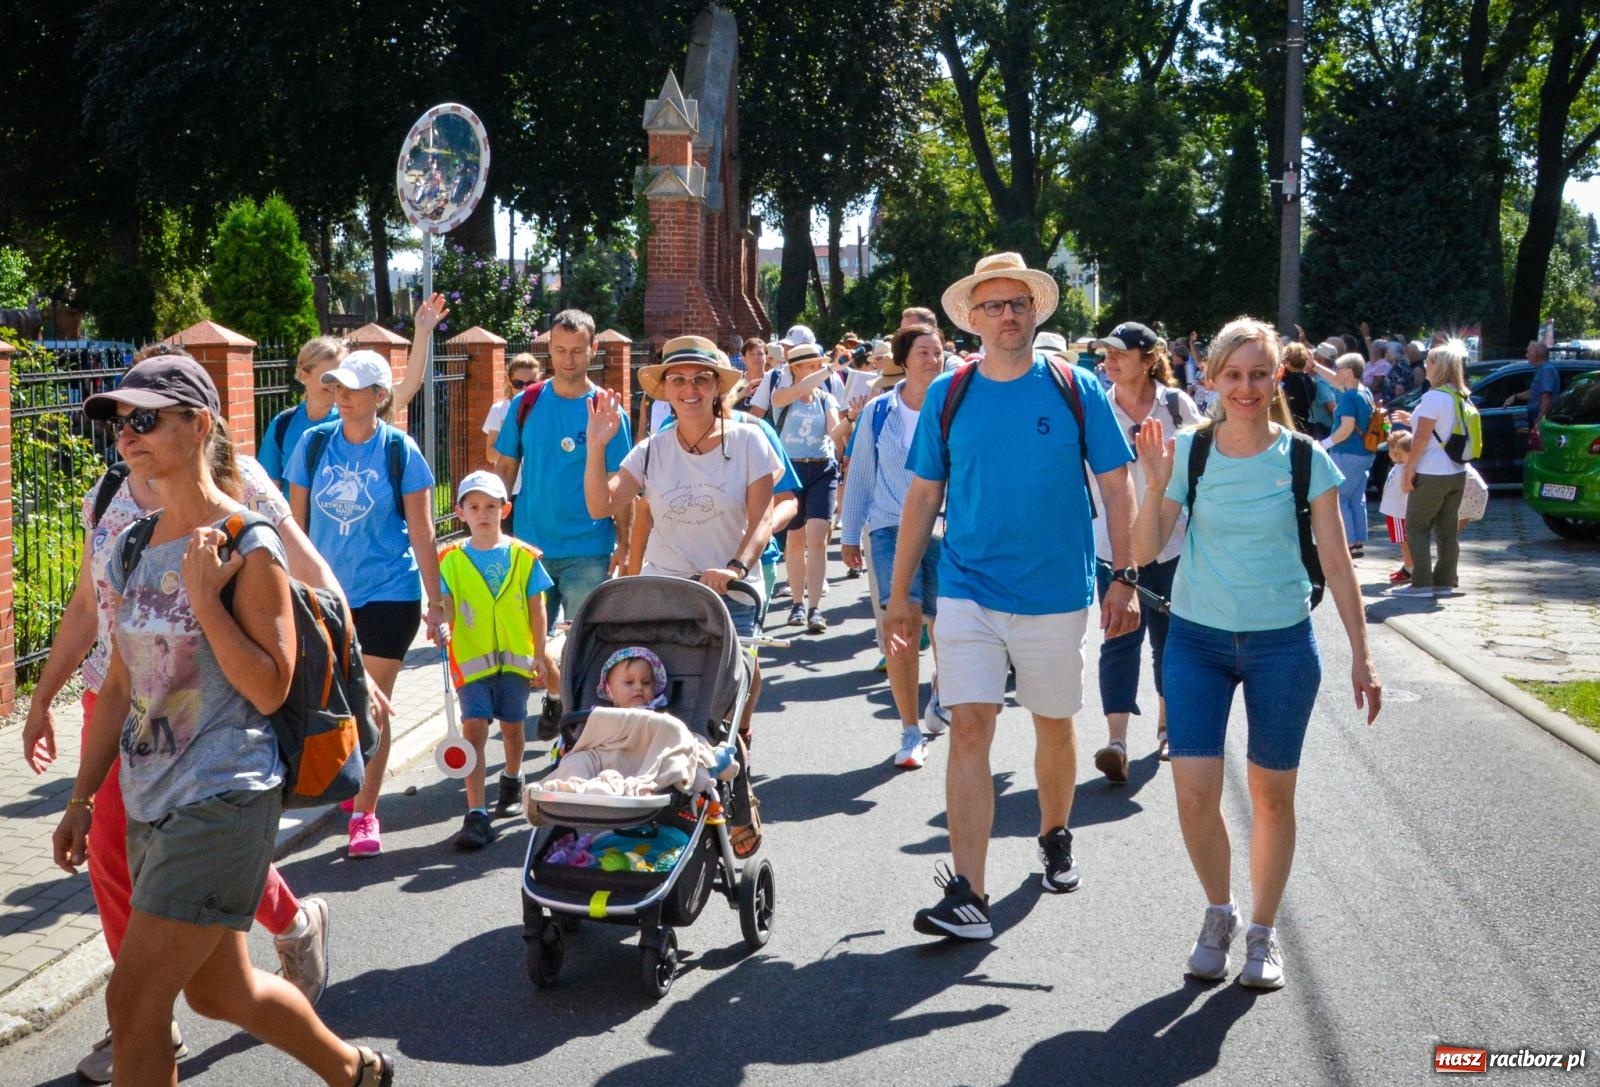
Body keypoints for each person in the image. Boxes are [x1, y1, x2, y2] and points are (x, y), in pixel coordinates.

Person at [54, 358, 395, 1086]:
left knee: (133, 999)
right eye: (123, 423)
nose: (129, 436)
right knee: (220, 992)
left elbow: (271, 688)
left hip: (224, 797)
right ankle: (354, 1070)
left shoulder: (248, 543)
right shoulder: (136, 543)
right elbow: (119, 683)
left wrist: (208, 602)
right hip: (151, 798)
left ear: (200, 424)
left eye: (146, 419)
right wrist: (82, 796)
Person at [888, 252, 1141, 942]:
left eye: (1018, 304)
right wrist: (901, 592)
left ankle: (1055, 832)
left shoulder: (1075, 386)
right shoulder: (949, 393)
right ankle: (968, 890)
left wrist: (1126, 573)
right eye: (994, 305)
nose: (1007, 315)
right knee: (968, 725)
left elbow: (1118, 485)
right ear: (972, 318)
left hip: (1055, 592)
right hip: (968, 587)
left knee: (1053, 723)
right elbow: (921, 496)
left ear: (1035, 312)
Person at [1130, 316, 1382, 991]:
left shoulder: (1306, 458)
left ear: (1278, 377)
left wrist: (1363, 653)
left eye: (1259, 373)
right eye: (1233, 374)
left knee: (1272, 795)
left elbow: (1337, 559)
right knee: (1192, 791)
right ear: (1210, 378)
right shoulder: (1189, 451)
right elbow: (1142, 553)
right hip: (1197, 641)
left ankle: (1264, 933)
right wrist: (1154, 482)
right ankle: (1220, 912)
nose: (1246, 386)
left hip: (1282, 646)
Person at [583, 336, 780, 856]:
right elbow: (602, 505)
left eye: (699, 379)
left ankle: (736, 785)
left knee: (725, 702)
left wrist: (736, 566)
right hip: (666, 591)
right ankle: (653, 795)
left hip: (731, 591)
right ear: (664, 390)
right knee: (663, 698)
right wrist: (597, 442)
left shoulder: (749, 441)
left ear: (717, 386)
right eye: (677, 380)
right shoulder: (652, 450)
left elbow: (763, 516)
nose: (688, 389)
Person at [288, 349, 443, 856]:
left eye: (355, 388)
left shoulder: (400, 451)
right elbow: (295, 530)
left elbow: (422, 533)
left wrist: (435, 603)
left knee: (371, 706)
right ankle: (345, 779)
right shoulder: (312, 446)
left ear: (380, 396)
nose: (344, 395)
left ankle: (365, 815)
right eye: (337, 386)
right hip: (325, 600)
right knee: (333, 705)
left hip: (387, 595)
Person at [1084, 321, 1204, 781]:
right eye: (1106, 353)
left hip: (1172, 543)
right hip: (1113, 545)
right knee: (1118, 638)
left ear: (1148, 358)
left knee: (1169, 643)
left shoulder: (1176, 405)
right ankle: (1116, 740)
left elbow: (1200, 468)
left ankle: (1167, 728)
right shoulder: (1097, 405)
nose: (1109, 360)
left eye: (1119, 353)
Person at [840, 324, 950, 770]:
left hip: (948, 528)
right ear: (904, 360)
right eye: (924, 352)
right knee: (900, 627)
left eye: (939, 352)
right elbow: (861, 473)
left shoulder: (952, 408)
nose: (933, 359)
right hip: (888, 528)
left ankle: (943, 695)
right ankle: (909, 730)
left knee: (951, 625)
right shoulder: (880, 411)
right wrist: (850, 535)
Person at [439, 470, 558, 849]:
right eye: (474, 507)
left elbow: (537, 608)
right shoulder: (451, 560)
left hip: (516, 662)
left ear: (505, 509)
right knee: (473, 727)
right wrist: (441, 623)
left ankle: (512, 776)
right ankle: (476, 814)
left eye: (491, 506)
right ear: (461, 513)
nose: (483, 513)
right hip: (471, 661)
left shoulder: (524, 557)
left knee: (512, 726)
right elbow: (446, 604)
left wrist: (540, 653)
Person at [493, 309, 633, 629]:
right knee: (530, 657)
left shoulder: (607, 411)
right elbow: (505, 470)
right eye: (560, 350)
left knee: (581, 654)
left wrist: (624, 546)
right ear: (549, 349)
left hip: (589, 552)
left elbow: (621, 486)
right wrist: (495, 534)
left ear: (593, 349)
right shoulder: (526, 402)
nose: (568, 360)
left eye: (576, 351)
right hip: (530, 550)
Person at [259, 295, 445, 496]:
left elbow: (410, 385)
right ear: (304, 374)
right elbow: (269, 490)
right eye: (330, 377)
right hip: (300, 527)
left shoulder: (356, 414)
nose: (338, 386)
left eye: (344, 377)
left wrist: (423, 333)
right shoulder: (283, 424)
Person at [756, 342, 842, 633]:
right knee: (795, 541)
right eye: (811, 365)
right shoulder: (782, 395)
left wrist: (853, 419)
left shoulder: (825, 399)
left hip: (822, 468)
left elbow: (834, 431)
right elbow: (790, 393)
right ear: (795, 368)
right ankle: (797, 603)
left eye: (820, 365)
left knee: (817, 537)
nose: (818, 370)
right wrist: (830, 368)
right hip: (791, 469)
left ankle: (815, 607)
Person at [1394, 339, 1472, 598]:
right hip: (1457, 472)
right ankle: (1444, 581)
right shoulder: (1460, 395)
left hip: (1432, 473)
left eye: (1428, 362)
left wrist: (1408, 470)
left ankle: (1421, 584)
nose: (1425, 366)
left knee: (1416, 527)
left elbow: (1421, 438)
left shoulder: (1433, 397)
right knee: (1447, 531)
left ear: (1438, 367)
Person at [1321, 353, 1377, 557]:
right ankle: (1358, 541)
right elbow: (1335, 382)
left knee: (1340, 498)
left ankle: (1349, 543)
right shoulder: (1365, 393)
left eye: (1339, 369)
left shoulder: (1348, 397)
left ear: (1349, 372)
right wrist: (1315, 366)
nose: (1336, 373)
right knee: (1356, 498)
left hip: (1347, 453)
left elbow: (1346, 428)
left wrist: (1323, 444)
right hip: (1365, 454)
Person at [482, 353, 538, 532]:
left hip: (535, 489)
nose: (523, 390)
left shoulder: (543, 410)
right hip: (509, 488)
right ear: (508, 382)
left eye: (530, 385)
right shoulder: (499, 410)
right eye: (518, 384)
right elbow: (490, 454)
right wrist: (512, 443)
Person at [1378, 429, 1416, 584]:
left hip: (1398, 512)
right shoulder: (1400, 467)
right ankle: (1408, 566)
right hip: (1394, 510)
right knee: (1403, 540)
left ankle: (1410, 567)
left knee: (1404, 541)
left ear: (1396, 452)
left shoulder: (1405, 469)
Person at [1505, 340, 1560, 432]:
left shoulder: (1547, 370)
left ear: (1537, 354)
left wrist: (1540, 420)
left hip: (1541, 422)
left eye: (1528, 352)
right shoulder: (1541, 369)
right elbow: (1533, 392)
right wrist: (1515, 397)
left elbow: (1546, 397)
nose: (1526, 355)